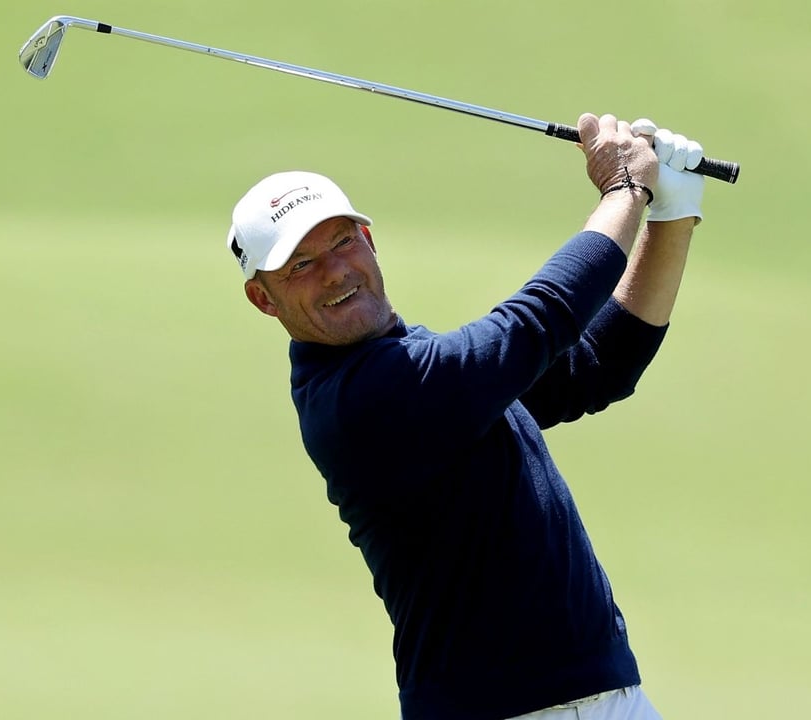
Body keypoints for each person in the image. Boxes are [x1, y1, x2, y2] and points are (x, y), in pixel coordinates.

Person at [226, 113, 707, 720]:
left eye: (342, 240)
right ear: (262, 297)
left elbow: (596, 365)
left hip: (601, 699)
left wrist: (672, 216)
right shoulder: (361, 400)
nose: (335, 271)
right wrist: (625, 190)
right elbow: (540, 320)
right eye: (300, 264)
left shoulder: (421, 366)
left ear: (370, 240)